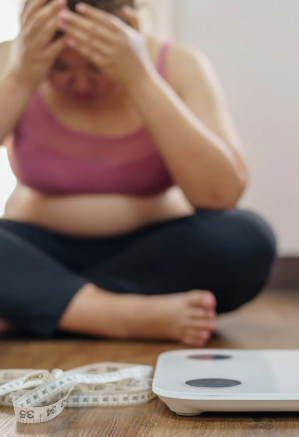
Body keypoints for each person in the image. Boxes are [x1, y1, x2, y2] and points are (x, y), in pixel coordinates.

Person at [0, 0, 277, 346]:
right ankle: (112, 316)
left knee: (245, 239)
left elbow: (221, 194)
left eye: (96, 66)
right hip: (34, 249)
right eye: (59, 67)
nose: (81, 84)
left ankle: (32, 306)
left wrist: (139, 76)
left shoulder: (178, 65)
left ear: (132, 30)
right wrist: (21, 77)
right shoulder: (11, 60)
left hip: (151, 254)